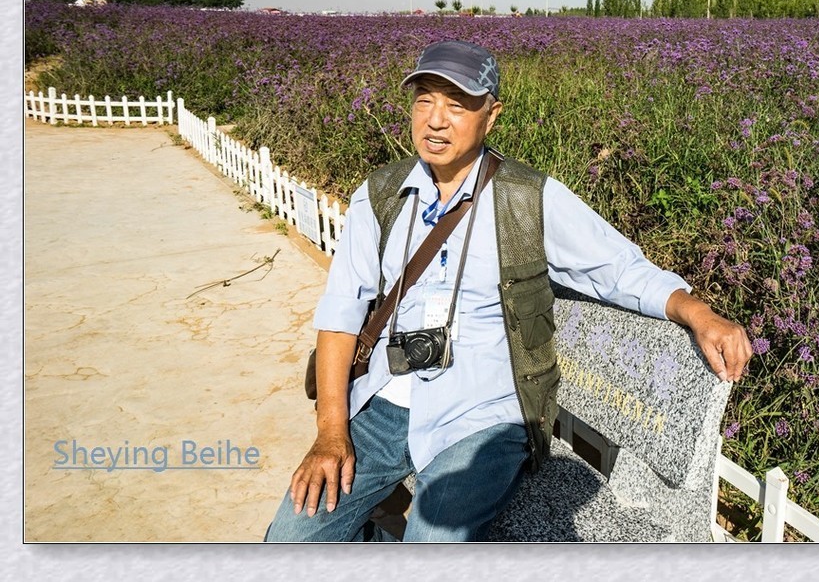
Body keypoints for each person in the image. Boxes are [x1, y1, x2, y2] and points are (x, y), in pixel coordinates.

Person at [265, 39, 751, 542]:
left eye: (457, 104)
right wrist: (330, 432)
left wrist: (697, 311)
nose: (435, 120)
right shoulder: (381, 195)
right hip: (385, 400)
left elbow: (618, 269)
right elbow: (342, 313)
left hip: (483, 418)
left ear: (491, 115)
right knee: (289, 541)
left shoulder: (527, 198)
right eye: (425, 99)